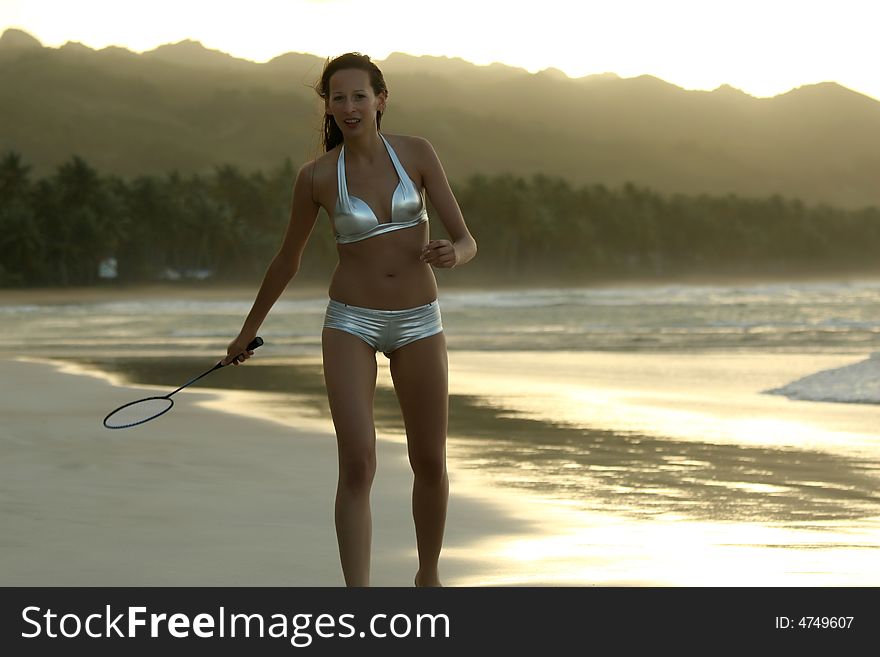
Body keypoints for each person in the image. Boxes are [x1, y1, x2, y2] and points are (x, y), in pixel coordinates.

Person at [223, 52, 477, 587]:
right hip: (350, 324)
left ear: (381, 99)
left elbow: (466, 238)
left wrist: (456, 253)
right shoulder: (316, 177)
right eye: (338, 97)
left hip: (419, 322)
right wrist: (248, 331)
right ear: (328, 105)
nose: (349, 106)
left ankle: (427, 578)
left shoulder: (417, 153)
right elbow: (287, 259)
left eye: (359, 95)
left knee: (430, 461)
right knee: (358, 463)